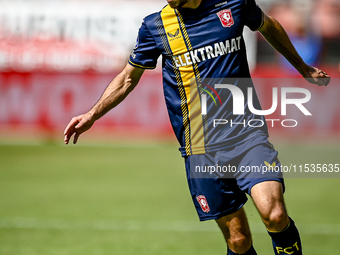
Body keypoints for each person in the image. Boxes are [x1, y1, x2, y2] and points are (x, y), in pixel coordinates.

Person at [64, 0, 330, 254]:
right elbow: (126, 79)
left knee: (275, 215)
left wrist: (302, 67)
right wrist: (92, 114)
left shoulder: (234, 4)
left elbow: (268, 25)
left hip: (247, 136)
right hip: (200, 147)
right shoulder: (156, 26)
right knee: (238, 241)